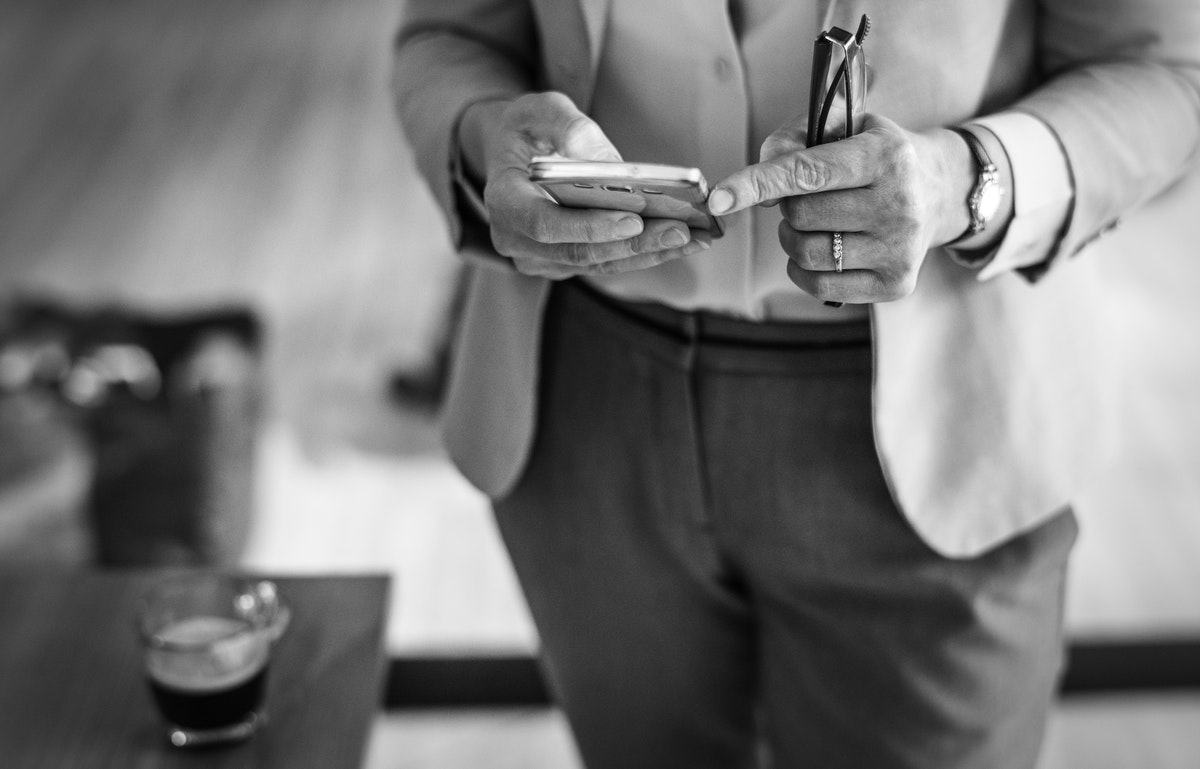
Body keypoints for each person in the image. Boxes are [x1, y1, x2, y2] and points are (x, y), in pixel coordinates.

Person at [392, 1, 1200, 767]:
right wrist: (485, 134)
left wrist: (958, 182)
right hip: (585, 407)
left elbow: (1165, 76)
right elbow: (447, 39)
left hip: (943, 423)